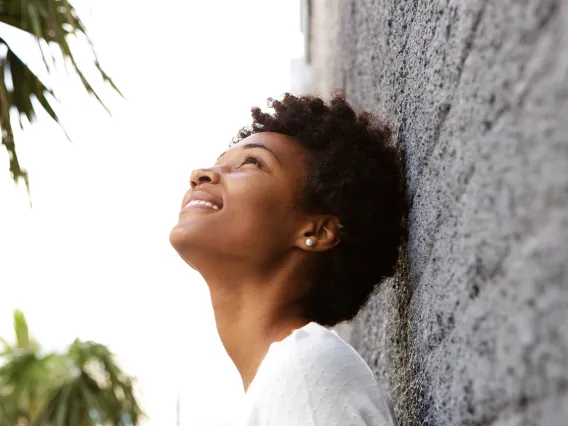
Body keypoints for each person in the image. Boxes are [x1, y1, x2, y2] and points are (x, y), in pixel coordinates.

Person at [170, 92, 404, 425]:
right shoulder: (291, 376)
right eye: (220, 160)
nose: (201, 173)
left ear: (318, 231)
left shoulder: (303, 373)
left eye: (252, 163)